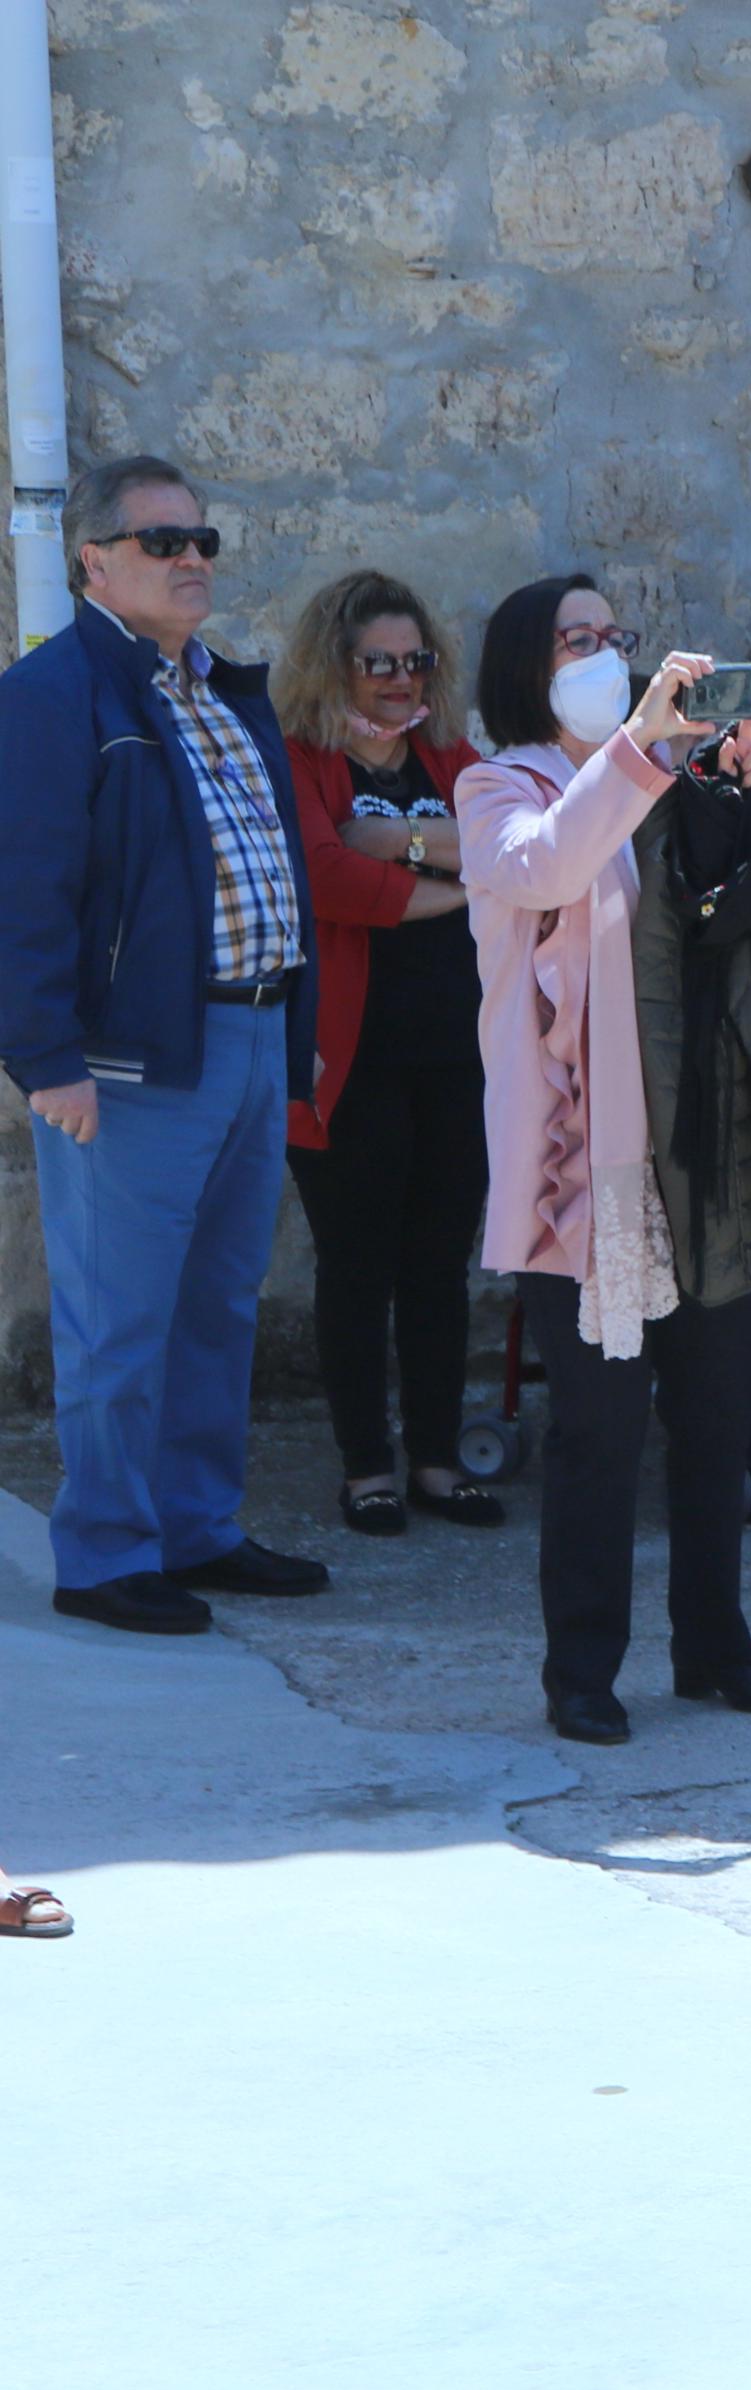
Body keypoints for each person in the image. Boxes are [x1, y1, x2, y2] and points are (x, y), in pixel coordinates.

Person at [459, 578, 751, 1745]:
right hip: (594, 1162)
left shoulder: (669, 773)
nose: (604, 652)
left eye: (615, 637)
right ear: (529, 662)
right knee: (595, 1431)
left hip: (704, 1136)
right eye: (578, 638)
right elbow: (546, 870)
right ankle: (581, 1668)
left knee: (721, 1414)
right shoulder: (498, 784)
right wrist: (640, 748)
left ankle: (714, 1645)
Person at [0, 454, 329, 1635]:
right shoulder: (51, 696)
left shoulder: (225, 691)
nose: (192, 558)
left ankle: (196, 1526)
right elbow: (22, 894)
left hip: (245, 1036)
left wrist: (298, 1031)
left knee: (219, 1304)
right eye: (161, 542)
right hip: (128, 1062)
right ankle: (102, 1555)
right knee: (118, 1316)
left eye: (202, 540)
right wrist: (45, 1059)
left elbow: (270, 869)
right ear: (93, 559)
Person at [272, 569, 503, 1539]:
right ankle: (367, 1466)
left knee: (439, 1264)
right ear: (337, 665)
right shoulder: (299, 758)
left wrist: (394, 841)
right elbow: (323, 874)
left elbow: (516, 846)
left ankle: (438, 1461)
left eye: (417, 661)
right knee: (357, 1265)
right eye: (380, 663)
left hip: (459, 1052)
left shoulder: (452, 755)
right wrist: (458, 876)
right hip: (347, 1059)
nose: (402, 680)